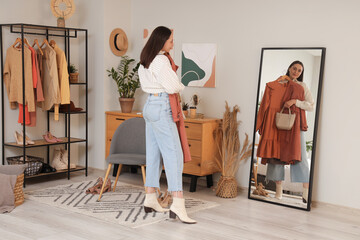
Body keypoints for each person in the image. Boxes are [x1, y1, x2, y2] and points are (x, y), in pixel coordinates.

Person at [138, 26, 196, 224]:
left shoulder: (146, 58)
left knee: (153, 153)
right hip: (162, 106)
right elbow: (173, 86)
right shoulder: (161, 60)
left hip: (149, 105)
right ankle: (178, 204)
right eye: (171, 40)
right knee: (174, 155)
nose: (173, 43)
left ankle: (150, 198)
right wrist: (181, 84)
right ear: (162, 41)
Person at [266, 60, 315, 202]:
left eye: (299, 70)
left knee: (300, 156)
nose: (296, 72)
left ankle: (305, 193)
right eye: (294, 68)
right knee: (277, 155)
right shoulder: (280, 83)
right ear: (289, 68)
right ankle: (279, 191)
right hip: (279, 123)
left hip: (296, 124)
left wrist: (295, 101)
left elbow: (311, 105)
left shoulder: (302, 86)